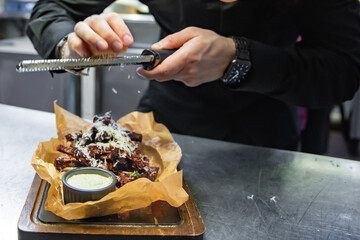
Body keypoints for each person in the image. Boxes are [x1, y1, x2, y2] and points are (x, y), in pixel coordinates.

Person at [26, 0, 360, 151]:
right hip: (164, 127)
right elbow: (52, 9)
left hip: (267, 136)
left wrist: (239, 57)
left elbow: (344, 69)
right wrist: (69, 46)